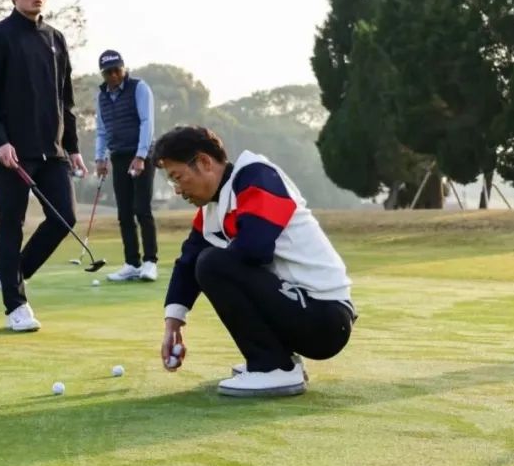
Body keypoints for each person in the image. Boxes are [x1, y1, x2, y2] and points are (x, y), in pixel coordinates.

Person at [154, 125, 356, 397]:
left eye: (177, 177)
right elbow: (187, 263)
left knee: (213, 263)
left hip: (325, 318)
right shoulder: (213, 208)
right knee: (207, 261)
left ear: (204, 162)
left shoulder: (257, 175)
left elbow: (256, 248)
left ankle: (273, 367)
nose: (177, 190)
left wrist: (216, 254)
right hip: (301, 310)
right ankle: (280, 360)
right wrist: (173, 324)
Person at [0, 0, 86, 332]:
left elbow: (65, 99)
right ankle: (16, 306)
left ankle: (14, 273)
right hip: (12, 154)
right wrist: (0, 142)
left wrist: (72, 146)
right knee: (12, 224)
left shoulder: (55, 38)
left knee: (64, 218)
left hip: (52, 151)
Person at [93, 50, 157, 282]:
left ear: (123, 68)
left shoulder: (139, 88)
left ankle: (150, 262)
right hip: (118, 155)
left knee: (142, 208)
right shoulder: (101, 97)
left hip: (141, 154)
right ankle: (132, 263)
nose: (113, 76)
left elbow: (146, 123)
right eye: (108, 72)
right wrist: (100, 158)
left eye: (116, 70)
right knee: (124, 212)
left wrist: (140, 156)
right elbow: (102, 130)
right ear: (103, 74)